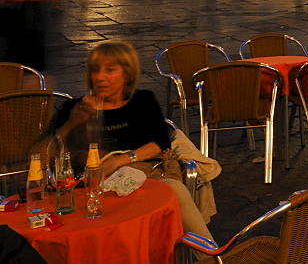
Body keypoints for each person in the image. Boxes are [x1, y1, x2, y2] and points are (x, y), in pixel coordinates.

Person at [51, 42, 214, 239]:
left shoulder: (142, 101)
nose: (100, 77)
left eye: (110, 70)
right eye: (95, 70)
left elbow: (161, 142)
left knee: (175, 190)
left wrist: (118, 161)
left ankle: (211, 256)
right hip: (88, 186)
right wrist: (70, 123)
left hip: (141, 177)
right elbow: (47, 152)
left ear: (127, 75)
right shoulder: (74, 107)